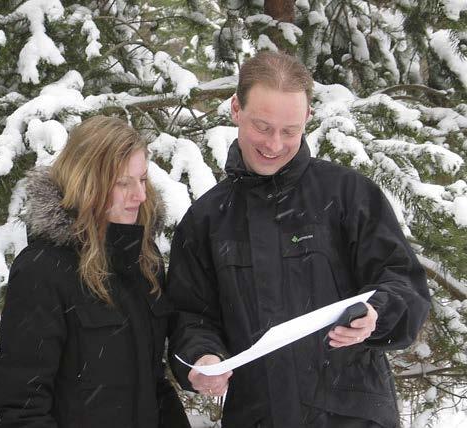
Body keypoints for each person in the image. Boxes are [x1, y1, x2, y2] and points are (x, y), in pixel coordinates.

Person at [167, 52, 431, 428]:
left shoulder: (347, 195)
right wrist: (203, 357)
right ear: (236, 109)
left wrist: (378, 313)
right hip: (258, 416)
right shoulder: (206, 219)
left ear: (307, 119)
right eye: (262, 126)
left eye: (289, 131)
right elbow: (189, 316)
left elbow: (404, 284)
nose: (274, 144)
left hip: (352, 415)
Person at [0, 116, 190, 428]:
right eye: (123, 183)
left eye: (142, 180)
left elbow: (153, 383)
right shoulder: (42, 270)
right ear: (86, 184)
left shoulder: (145, 261)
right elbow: (23, 409)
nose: (139, 196)